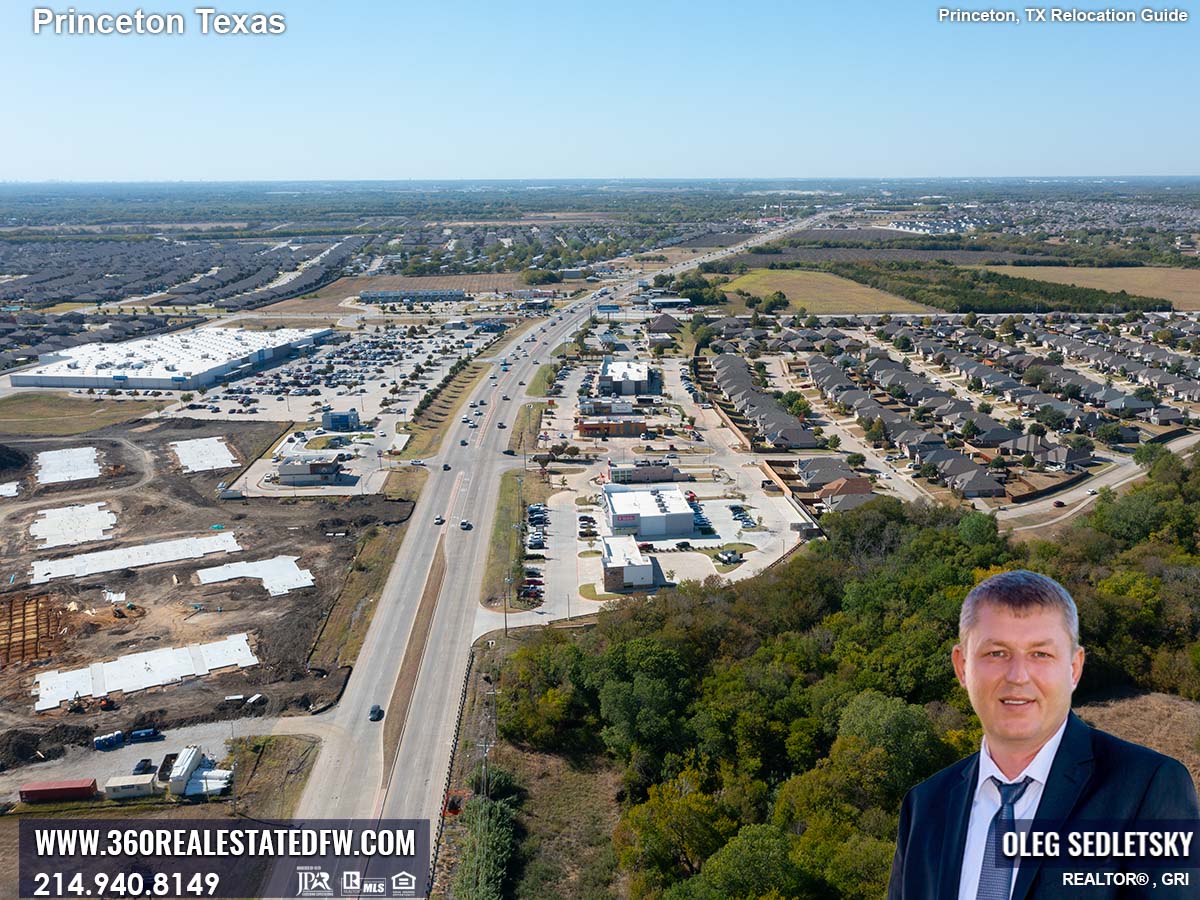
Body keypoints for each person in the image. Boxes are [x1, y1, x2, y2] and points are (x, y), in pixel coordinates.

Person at [888, 570, 1199, 899]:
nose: (1018, 676)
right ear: (962, 666)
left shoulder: (1149, 787)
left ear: (1074, 668)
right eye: (997, 653)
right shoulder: (924, 806)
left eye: (1040, 654)